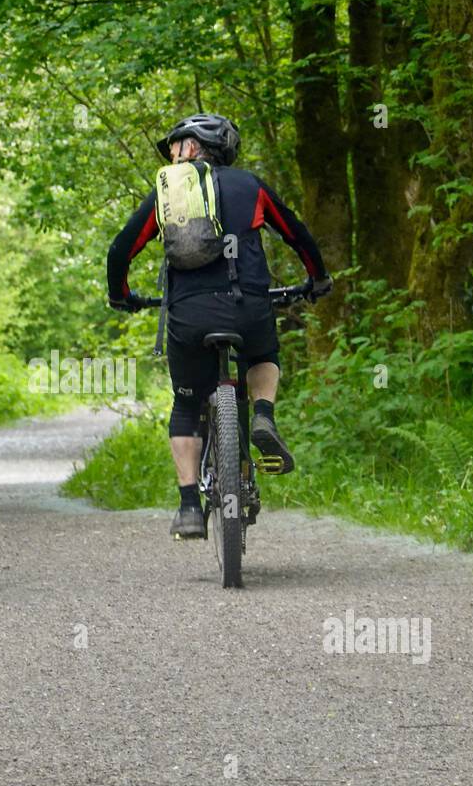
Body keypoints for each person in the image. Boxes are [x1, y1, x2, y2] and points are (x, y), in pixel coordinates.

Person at [106, 113, 332, 539]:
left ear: (192, 147)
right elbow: (298, 235)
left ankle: (189, 506)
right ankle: (263, 414)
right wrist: (317, 279)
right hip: (248, 307)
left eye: (175, 145)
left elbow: (121, 250)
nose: (172, 154)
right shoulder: (251, 186)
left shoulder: (168, 195)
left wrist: (121, 295)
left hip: (190, 316)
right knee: (263, 354)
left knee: (188, 404)